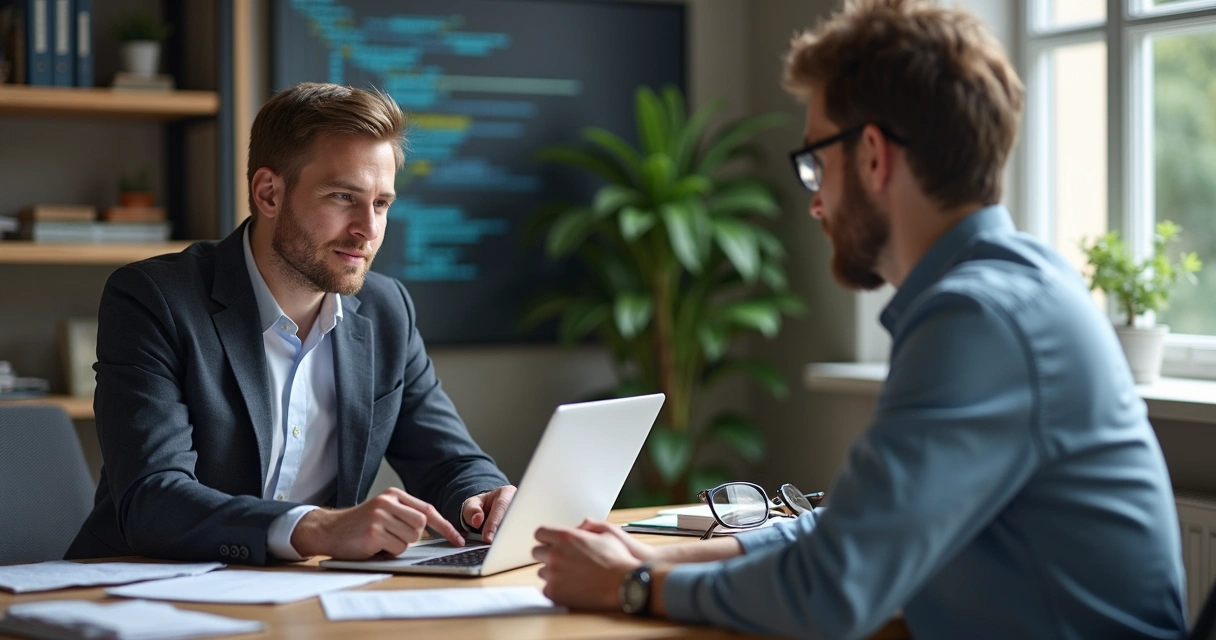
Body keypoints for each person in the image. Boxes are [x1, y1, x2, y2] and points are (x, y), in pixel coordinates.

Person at [532, 1, 1189, 638]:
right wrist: (655, 558)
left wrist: (631, 589)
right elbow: (848, 529)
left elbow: (833, 589)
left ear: (874, 155)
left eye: (817, 160)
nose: (815, 201)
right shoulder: (1011, 288)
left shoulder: (978, 319)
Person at [66, 83, 516, 565]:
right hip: (139, 596)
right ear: (269, 193)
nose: (368, 229)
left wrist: (482, 499)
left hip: (304, 598)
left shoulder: (387, 311)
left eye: (381, 203)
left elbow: (449, 459)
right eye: (344, 197)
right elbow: (152, 500)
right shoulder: (154, 299)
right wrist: (315, 527)